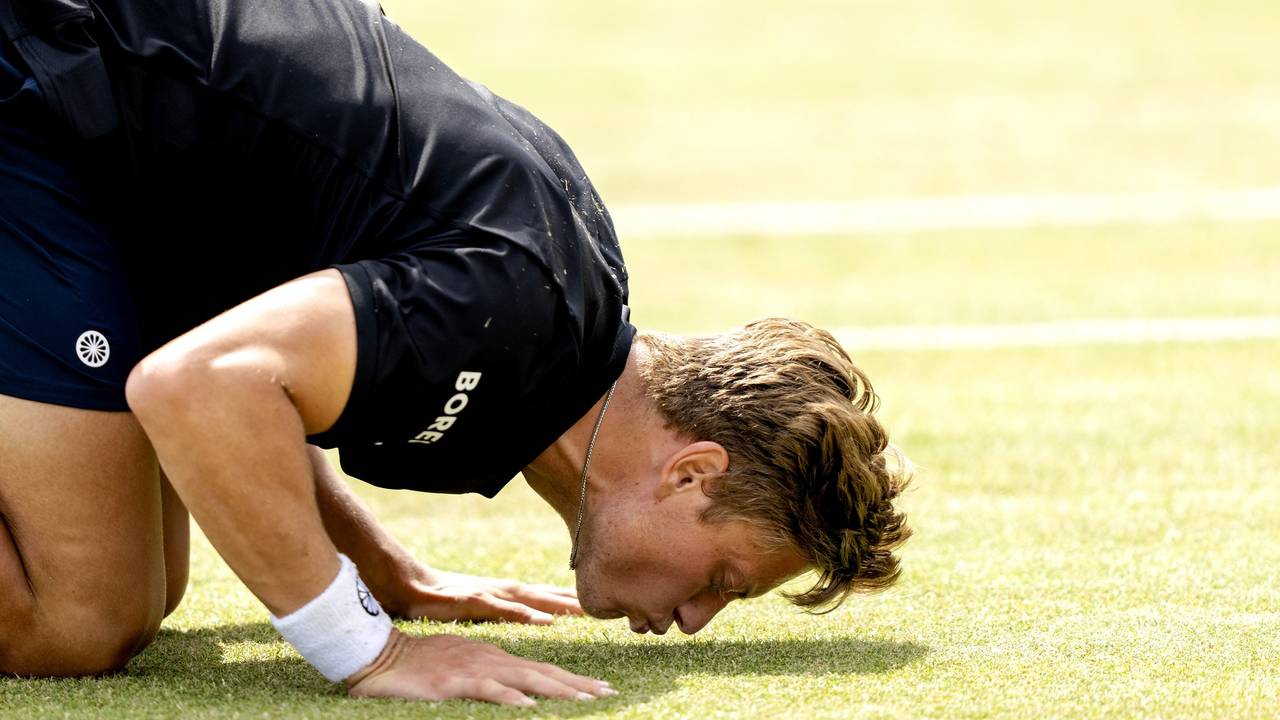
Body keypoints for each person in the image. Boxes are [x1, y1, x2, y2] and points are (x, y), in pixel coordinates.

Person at [0, 0, 912, 705]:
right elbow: (198, 386)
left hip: (95, 130)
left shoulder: (557, 330)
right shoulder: (509, 310)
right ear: (692, 472)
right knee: (80, 618)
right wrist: (369, 650)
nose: (693, 621)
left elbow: (257, 361)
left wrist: (383, 574)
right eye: (722, 579)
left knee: (148, 595)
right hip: (42, 78)